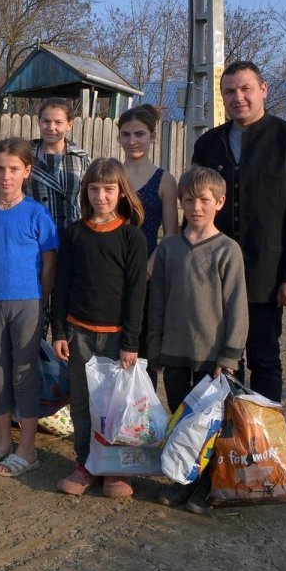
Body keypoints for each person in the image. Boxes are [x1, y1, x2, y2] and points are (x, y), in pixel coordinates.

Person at [191, 60, 286, 404]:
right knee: (219, 359)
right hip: (214, 272)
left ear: (264, 89)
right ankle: (224, 439)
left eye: (246, 89)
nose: (239, 98)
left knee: (264, 357)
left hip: (266, 273)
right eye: (230, 91)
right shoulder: (208, 145)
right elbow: (197, 208)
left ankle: (263, 444)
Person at [147, 166, 248, 514]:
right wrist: (155, 346)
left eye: (204, 200)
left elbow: (237, 306)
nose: (196, 207)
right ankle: (183, 482)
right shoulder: (169, 248)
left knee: (211, 426)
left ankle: (208, 486)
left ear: (219, 202)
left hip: (212, 356)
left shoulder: (227, 249)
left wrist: (230, 355)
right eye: (188, 200)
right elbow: (157, 300)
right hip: (174, 351)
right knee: (181, 419)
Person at [51, 158, 148, 499]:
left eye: (108, 189)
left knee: (116, 405)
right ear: (85, 192)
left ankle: (115, 468)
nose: (101, 196)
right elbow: (61, 285)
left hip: (117, 337)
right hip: (78, 334)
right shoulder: (74, 234)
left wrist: (131, 341)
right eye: (94, 189)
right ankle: (86, 464)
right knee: (82, 401)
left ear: (122, 192)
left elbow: (138, 293)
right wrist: (59, 332)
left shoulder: (132, 237)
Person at [0, 138, 57, 478]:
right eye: (0, 169)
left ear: (27, 172)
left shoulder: (38, 214)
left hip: (29, 303)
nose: (6, 176)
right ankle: (3, 442)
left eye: (14, 169)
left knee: (24, 374)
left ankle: (28, 448)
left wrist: (41, 300)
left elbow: (49, 265)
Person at [117, 104, 178, 388]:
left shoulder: (165, 180)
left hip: (148, 273)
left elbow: (172, 233)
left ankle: (143, 411)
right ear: (119, 137)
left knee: (142, 343)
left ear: (151, 137)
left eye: (139, 134)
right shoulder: (112, 175)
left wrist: (150, 266)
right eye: (126, 134)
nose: (133, 141)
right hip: (114, 268)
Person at [30, 98, 92, 242]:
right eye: (46, 121)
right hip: (34, 236)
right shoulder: (25, 156)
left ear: (69, 125)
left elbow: (89, 200)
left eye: (58, 122)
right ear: (39, 122)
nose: (51, 127)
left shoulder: (81, 159)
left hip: (72, 237)